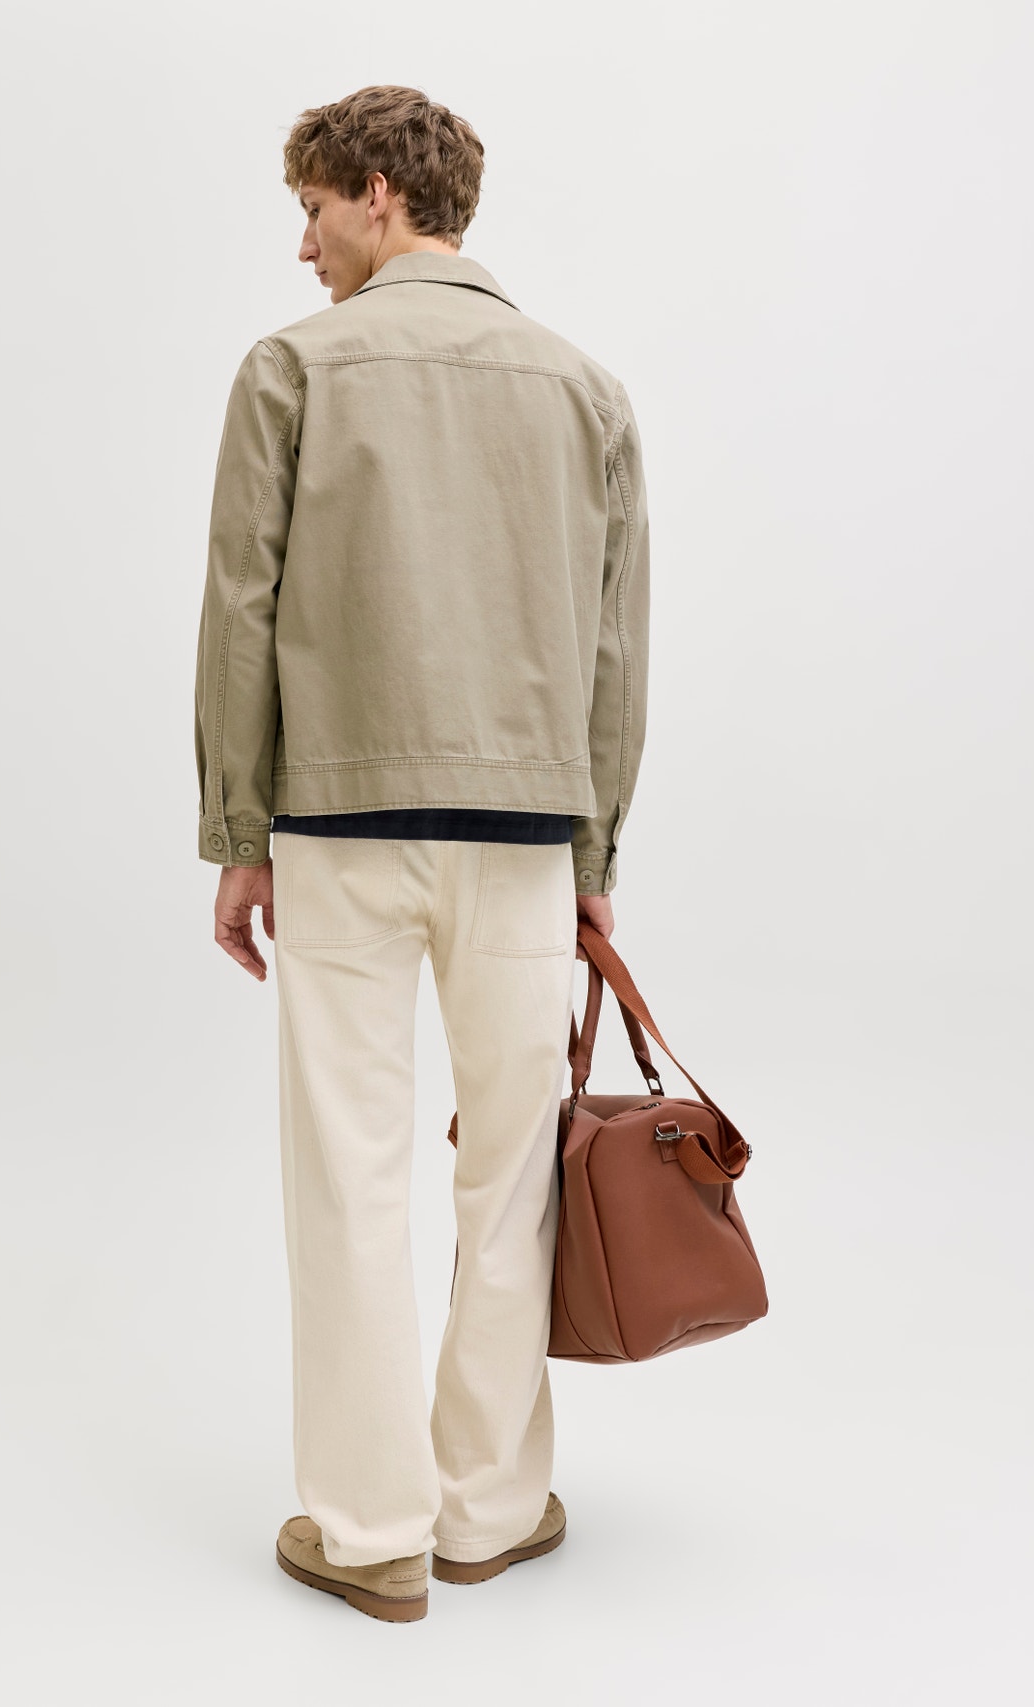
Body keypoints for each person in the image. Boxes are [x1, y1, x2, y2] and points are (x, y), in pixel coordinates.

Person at [193, 84, 651, 1622]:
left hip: (338, 826)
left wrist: (239, 833)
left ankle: (371, 1528)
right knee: (511, 1172)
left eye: (314, 210)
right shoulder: (584, 389)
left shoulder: (293, 369)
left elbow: (241, 611)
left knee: (350, 1171)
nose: (304, 246)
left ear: (378, 194)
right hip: (525, 842)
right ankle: (488, 1507)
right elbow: (615, 649)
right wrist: (594, 851)